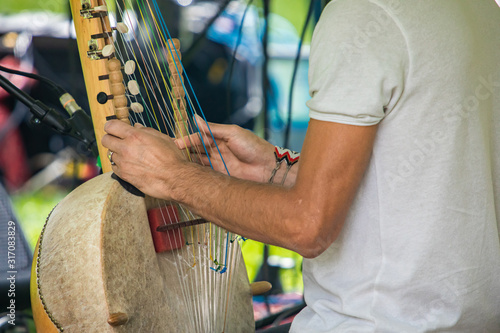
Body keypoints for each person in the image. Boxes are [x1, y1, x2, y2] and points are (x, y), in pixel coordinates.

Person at [102, 0, 500, 331]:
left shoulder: (362, 14)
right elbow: (425, 176)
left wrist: (173, 176)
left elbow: (307, 226)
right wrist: (273, 170)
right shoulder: (477, 10)